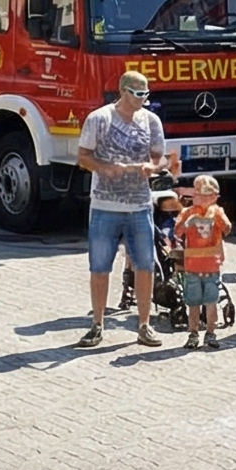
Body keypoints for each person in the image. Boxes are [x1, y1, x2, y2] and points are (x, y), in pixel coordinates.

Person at [77, 70, 173, 349]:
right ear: (124, 91)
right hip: (104, 205)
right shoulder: (100, 118)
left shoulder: (151, 120)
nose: (144, 99)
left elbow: (161, 157)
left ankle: (144, 325)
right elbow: (83, 156)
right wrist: (104, 169)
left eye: (147, 93)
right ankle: (97, 324)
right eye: (139, 93)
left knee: (145, 265)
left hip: (139, 204)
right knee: (99, 266)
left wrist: (152, 167)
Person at [176, 174, 232, 351]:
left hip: (211, 266)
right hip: (192, 267)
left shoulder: (217, 211)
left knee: (211, 302)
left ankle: (210, 332)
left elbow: (227, 228)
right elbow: (177, 232)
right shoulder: (187, 212)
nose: (203, 200)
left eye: (208, 196)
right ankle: (193, 333)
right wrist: (186, 224)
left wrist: (217, 219)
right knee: (193, 303)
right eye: (200, 195)